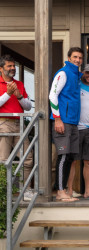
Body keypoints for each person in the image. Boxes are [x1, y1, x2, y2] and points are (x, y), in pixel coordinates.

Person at [49, 47, 84, 202]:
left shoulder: (76, 75)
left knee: (70, 157)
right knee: (63, 157)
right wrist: (57, 119)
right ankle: (60, 192)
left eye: (80, 58)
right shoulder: (63, 73)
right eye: (75, 57)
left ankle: (65, 191)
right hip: (63, 122)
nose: (77, 60)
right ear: (69, 58)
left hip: (73, 123)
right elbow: (52, 95)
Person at [66, 64, 89, 200]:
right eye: (87, 73)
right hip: (75, 128)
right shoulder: (76, 86)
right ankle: (69, 190)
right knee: (73, 161)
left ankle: (87, 191)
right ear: (82, 73)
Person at [0, 54, 33, 201]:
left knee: (27, 157)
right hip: (4, 123)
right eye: (9, 66)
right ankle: (3, 192)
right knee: (4, 159)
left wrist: (19, 96)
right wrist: (8, 94)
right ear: (1, 69)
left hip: (19, 123)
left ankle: (25, 190)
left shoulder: (19, 84)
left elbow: (28, 107)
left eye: (14, 66)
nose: (13, 68)